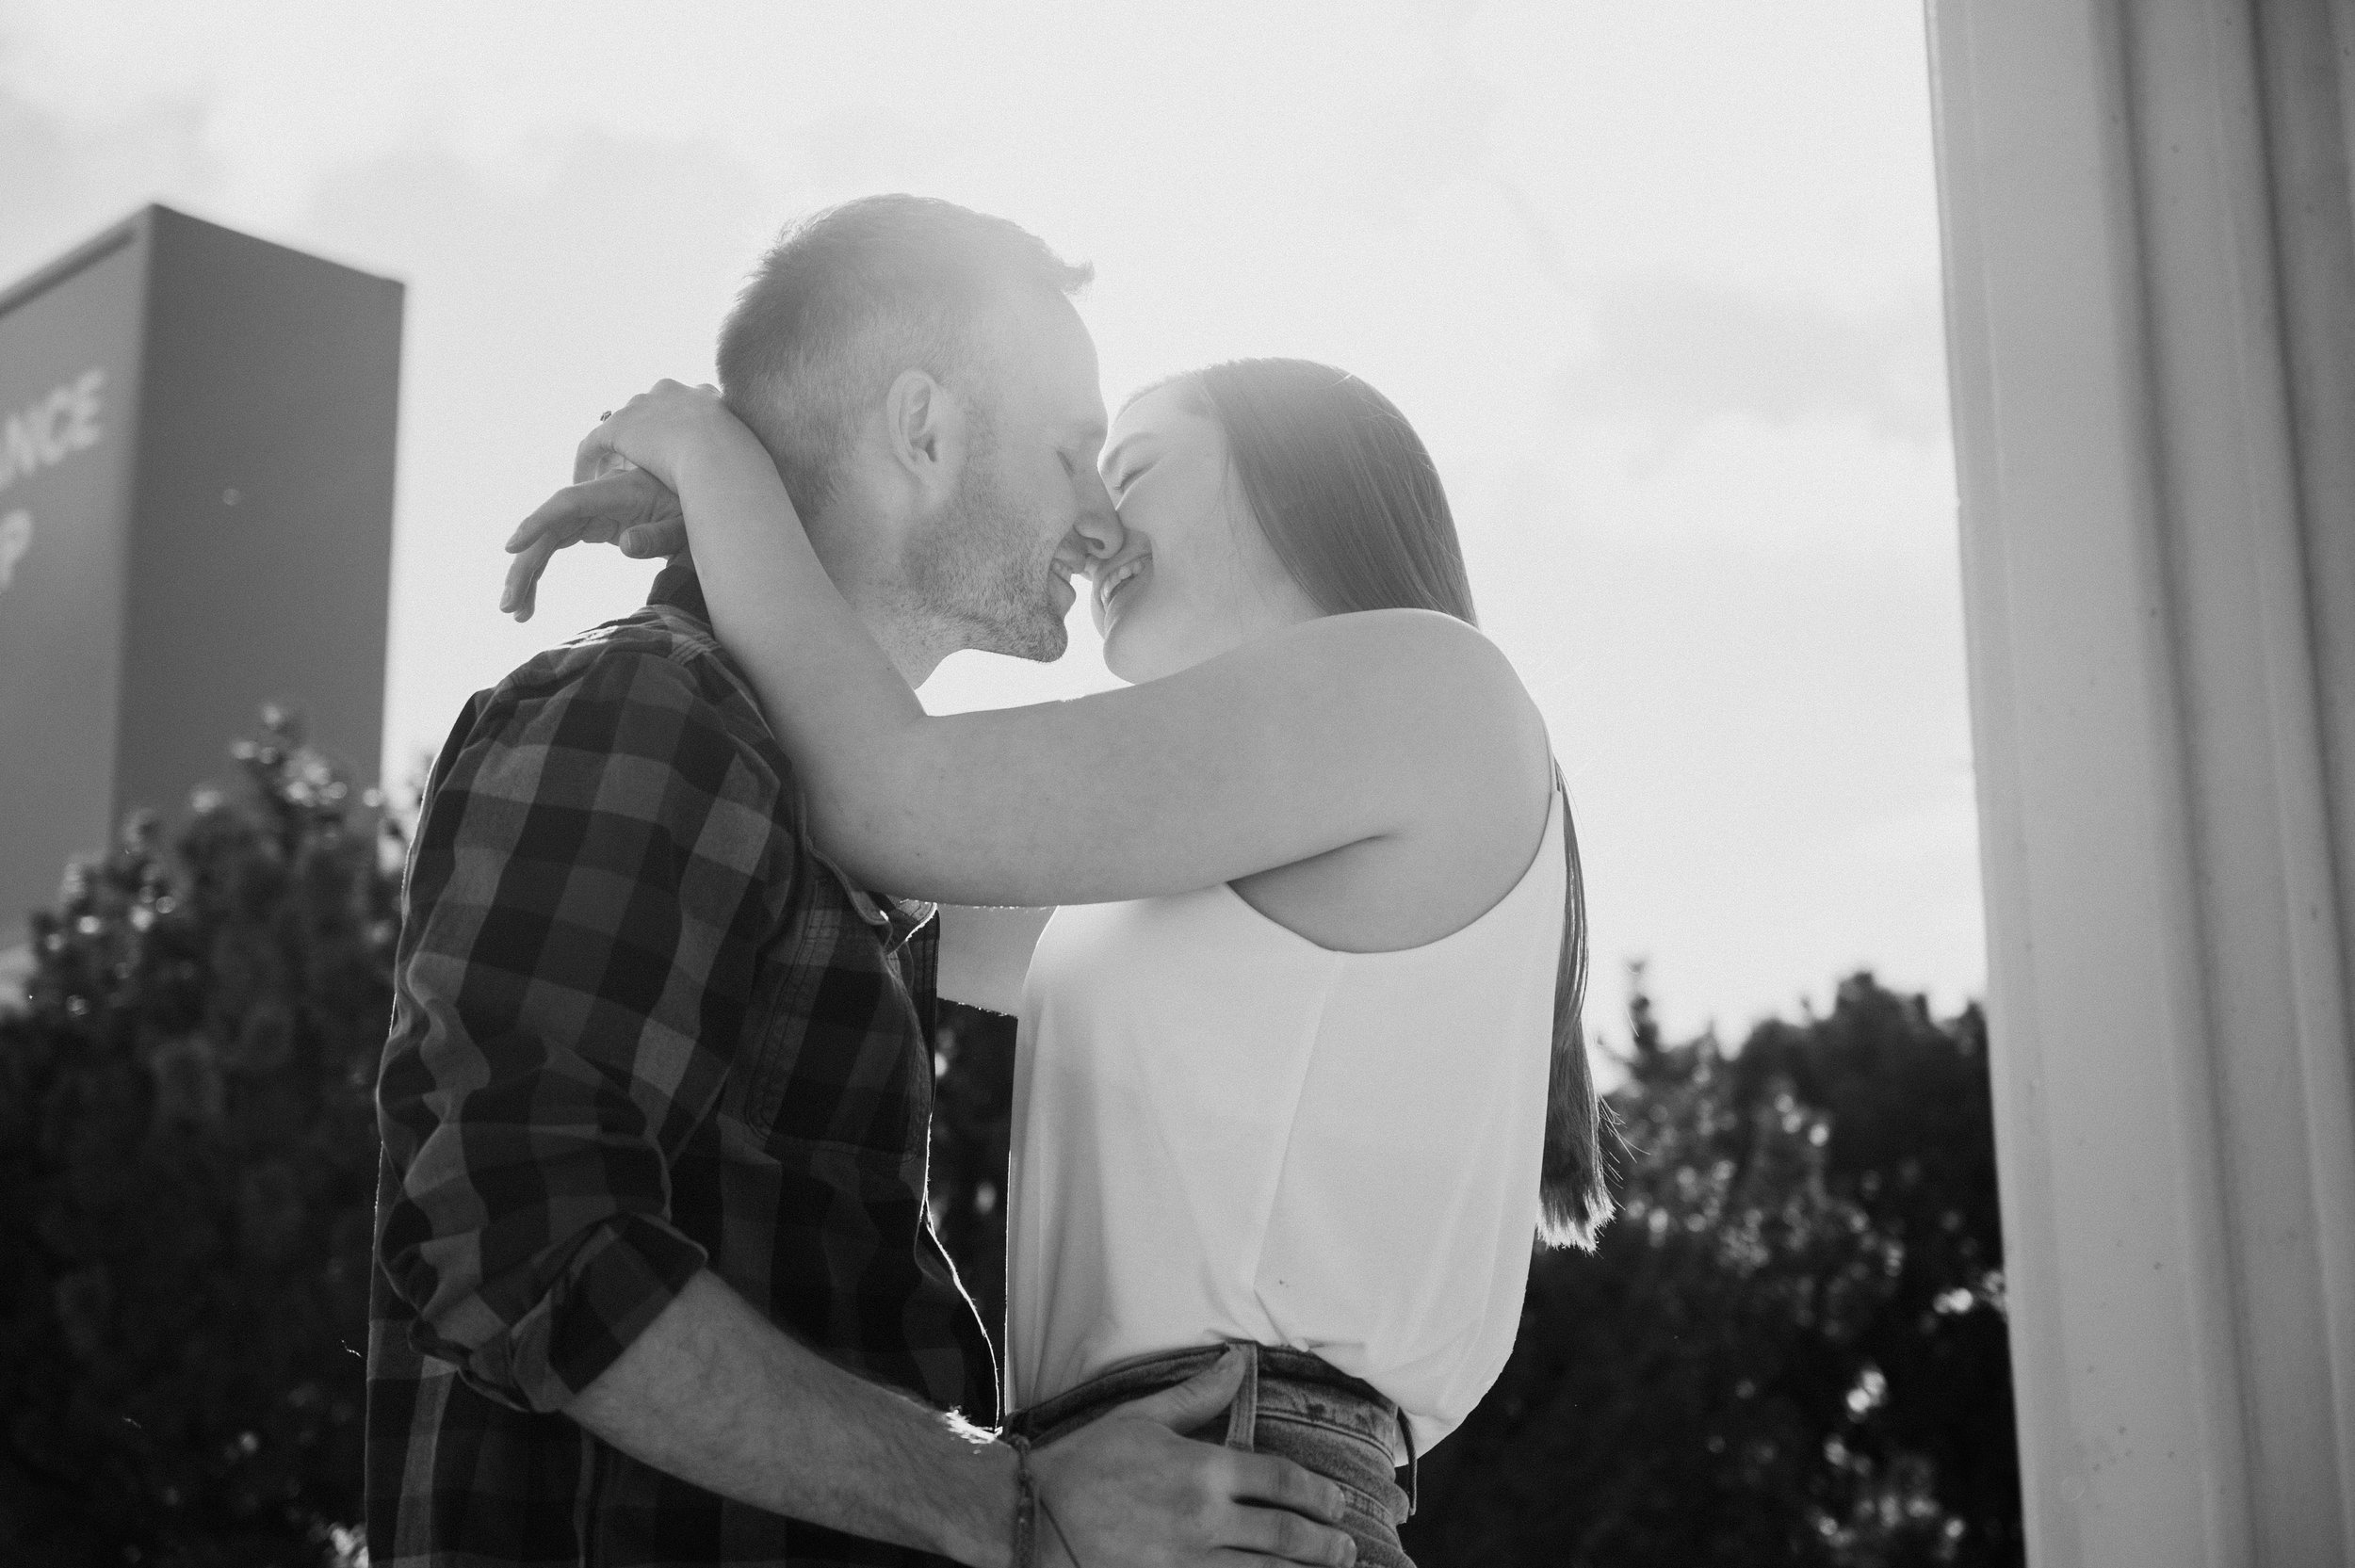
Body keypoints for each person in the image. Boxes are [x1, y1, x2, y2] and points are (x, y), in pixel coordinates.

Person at [369, 196, 1364, 1568]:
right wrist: (1006, 1504)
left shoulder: (865, 836)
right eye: (1075, 452)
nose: (1096, 519)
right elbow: (520, 1233)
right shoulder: (647, 711)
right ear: (924, 429)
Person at [506, 345, 1615, 1567]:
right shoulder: (1173, 872)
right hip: (1103, 1501)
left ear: (1305, 483)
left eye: (1130, 469)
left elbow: (885, 797)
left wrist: (720, 463)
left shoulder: (1431, 687)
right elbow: (831, 841)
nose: (1092, 524)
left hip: (1231, 1495)